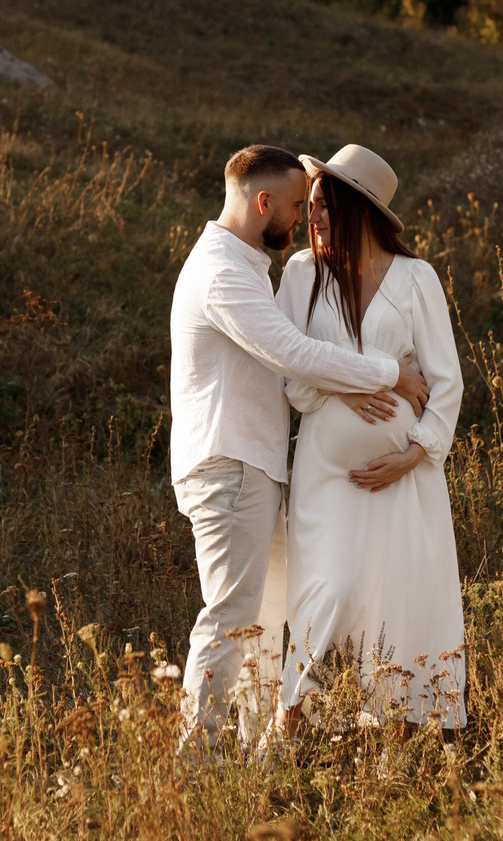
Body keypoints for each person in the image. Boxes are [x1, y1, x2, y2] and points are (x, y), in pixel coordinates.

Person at [168, 144, 429, 747]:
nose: (300, 219)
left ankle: (257, 751)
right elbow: (293, 354)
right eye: (292, 205)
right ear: (263, 204)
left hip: (253, 467)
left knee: (263, 620)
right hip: (229, 465)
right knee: (232, 617)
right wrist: (389, 373)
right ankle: (197, 760)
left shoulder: (245, 267)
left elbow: (298, 371)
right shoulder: (222, 274)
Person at [275, 144, 467, 733]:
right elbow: (292, 379)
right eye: (310, 206)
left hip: (403, 476)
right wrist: (358, 380)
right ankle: (293, 723)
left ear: (360, 210)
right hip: (326, 475)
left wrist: (414, 455)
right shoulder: (302, 273)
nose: (315, 218)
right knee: (326, 589)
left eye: (326, 206)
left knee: (398, 598)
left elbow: (445, 380)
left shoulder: (415, 278)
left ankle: (400, 733)